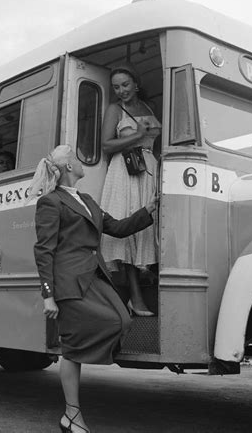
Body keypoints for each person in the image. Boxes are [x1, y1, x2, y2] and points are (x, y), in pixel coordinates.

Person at [29, 145, 158, 433]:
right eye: (74, 156)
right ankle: (71, 415)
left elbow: (118, 228)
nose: (80, 158)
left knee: (123, 320)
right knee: (75, 347)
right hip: (68, 283)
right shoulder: (50, 202)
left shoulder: (87, 199)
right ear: (67, 167)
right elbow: (44, 251)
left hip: (93, 277)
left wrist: (147, 211)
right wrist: (48, 295)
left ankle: (76, 362)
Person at [100, 63, 162, 317]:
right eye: (116, 86)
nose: (121, 90)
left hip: (149, 167)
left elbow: (156, 144)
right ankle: (136, 299)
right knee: (130, 232)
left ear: (136, 84)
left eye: (125, 84)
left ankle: (144, 293)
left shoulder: (150, 108)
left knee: (149, 227)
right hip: (125, 169)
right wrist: (137, 136)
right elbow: (106, 145)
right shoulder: (115, 109)